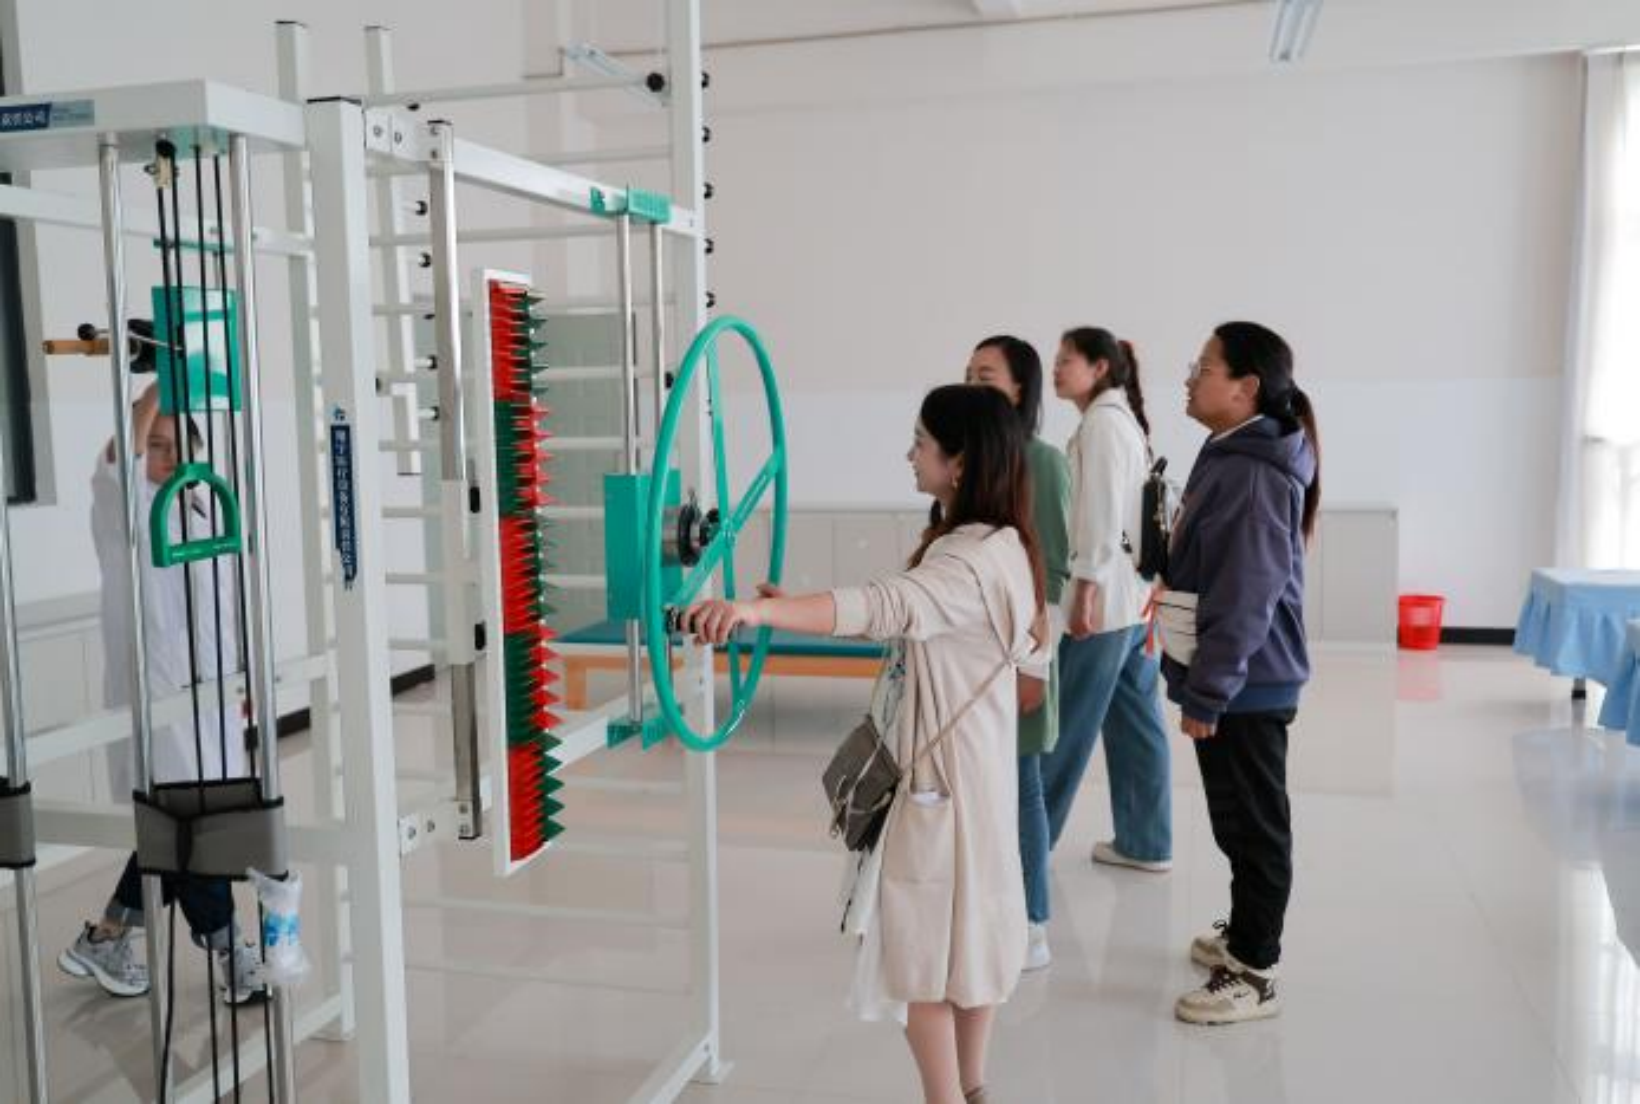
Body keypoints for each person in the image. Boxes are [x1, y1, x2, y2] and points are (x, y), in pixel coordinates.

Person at [684, 384, 1046, 1104]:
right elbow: (920, 628)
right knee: (971, 946)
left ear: (959, 462)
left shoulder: (963, 563)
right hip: (978, 779)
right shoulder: (1005, 546)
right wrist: (788, 608)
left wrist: (755, 612)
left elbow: (881, 606)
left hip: (940, 790)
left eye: (921, 442)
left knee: (922, 961)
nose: (909, 454)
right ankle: (974, 1090)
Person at [58, 381, 263, 1005]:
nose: (169, 456)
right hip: (158, 694)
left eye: (180, 446)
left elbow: (226, 605)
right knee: (193, 823)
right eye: (157, 445)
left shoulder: (204, 508)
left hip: (213, 696)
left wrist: (244, 677)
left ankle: (107, 935)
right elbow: (115, 461)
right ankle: (230, 950)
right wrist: (159, 384)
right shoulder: (124, 509)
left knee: (188, 824)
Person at [1163, 321, 1320, 1026]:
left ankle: (1255, 971)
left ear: (1245, 387)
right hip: (1236, 675)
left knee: (1254, 826)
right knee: (1235, 819)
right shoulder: (1231, 452)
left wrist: (1209, 691)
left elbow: (1246, 595)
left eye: (1203, 368)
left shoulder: (1253, 474)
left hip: (1248, 681)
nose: (1190, 378)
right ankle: (1245, 932)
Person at [1039, 329, 1174, 949]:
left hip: (1104, 599)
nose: (1056, 369)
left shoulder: (1101, 426)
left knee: (1065, 725)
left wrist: (1086, 589)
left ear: (1098, 368)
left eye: (1065, 360)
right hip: (1132, 597)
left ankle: (1028, 843)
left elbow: (1098, 514)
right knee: (1136, 723)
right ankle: (1146, 841)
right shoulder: (1121, 421)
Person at [965, 336, 1071, 972]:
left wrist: (1033, 667)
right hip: (968, 657)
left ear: (1019, 390)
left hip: (1017, 657)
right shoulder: (971, 461)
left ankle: (1032, 923)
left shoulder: (1044, 462)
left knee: (1022, 786)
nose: (972, 385)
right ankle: (986, 909)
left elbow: (1052, 574)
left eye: (986, 376)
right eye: (967, 374)